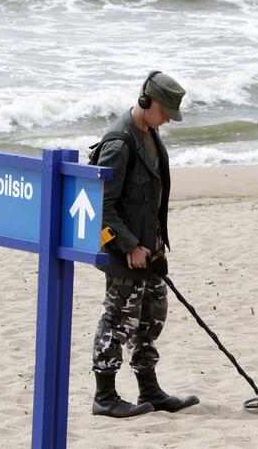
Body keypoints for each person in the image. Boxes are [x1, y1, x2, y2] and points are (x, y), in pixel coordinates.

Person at [90, 71, 200, 418]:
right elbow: (101, 207)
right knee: (117, 320)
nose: (168, 118)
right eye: (165, 110)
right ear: (145, 101)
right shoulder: (120, 143)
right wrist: (129, 246)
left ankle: (149, 390)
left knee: (151, 318)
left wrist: (154, 246)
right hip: (125, 253)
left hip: (151, 250)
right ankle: (105, 397)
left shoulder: (150, 133)